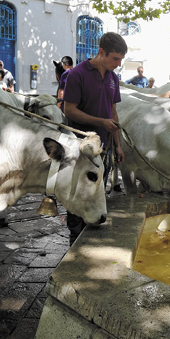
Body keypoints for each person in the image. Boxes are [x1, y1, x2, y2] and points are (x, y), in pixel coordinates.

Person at [63, 32, 127, 243]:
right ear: (101, 52)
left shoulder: (113, 78)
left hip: (104, 146)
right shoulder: (77, 74)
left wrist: (118, 145)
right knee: (79, 189)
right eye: (115, 58)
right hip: (79, 146)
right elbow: (69, 110)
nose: (118, 64)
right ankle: (75, 237)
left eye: (120, 59)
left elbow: (114, 114)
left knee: (98, 189)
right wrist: (100, 122)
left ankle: (89, 235)